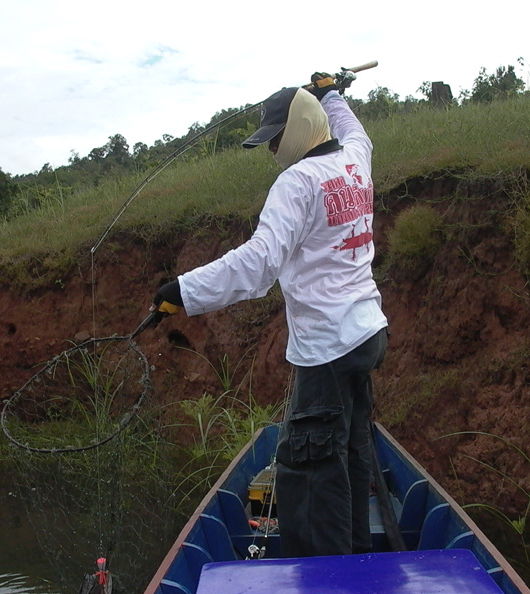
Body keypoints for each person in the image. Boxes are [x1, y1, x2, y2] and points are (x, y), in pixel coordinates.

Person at [151, 71, 388, 557]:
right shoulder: (355, 158)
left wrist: (184, 291)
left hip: (327, 348)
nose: (271, 148)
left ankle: (329, 584)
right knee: (351, 455)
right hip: (367, 336)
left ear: (300, 128)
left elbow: (259, 264)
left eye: (276, 137)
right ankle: (360, 565)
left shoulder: (297, 182)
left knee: (310, 474)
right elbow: (354, 128)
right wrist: (332, 94)